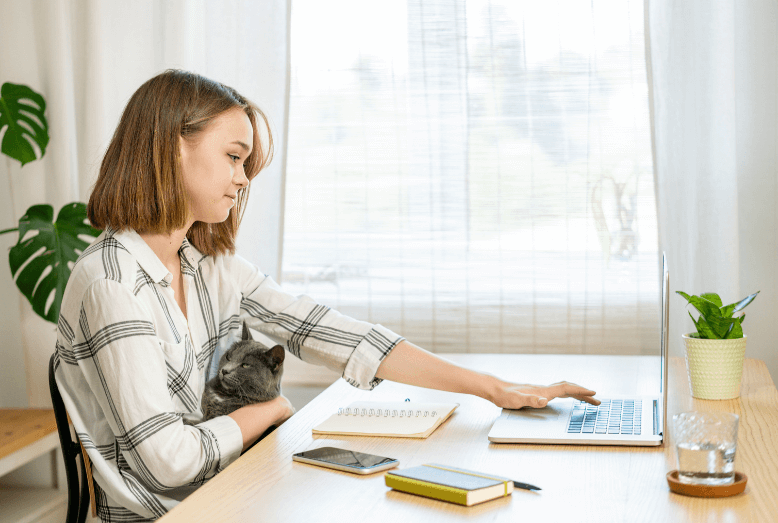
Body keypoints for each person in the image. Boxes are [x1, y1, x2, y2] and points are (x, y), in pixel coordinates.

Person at [53, 69, 600, 522]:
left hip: (228, 491)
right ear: (174, 147)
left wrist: (493, 388)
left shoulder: (208, 268)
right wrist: (270, 411)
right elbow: (168, 462)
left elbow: (334, 333)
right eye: (234, 157)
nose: (244, 179)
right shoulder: (112, 285)